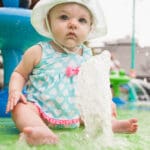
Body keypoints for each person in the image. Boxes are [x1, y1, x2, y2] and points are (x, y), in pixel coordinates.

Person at [6, 0, 138, 146]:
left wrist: (104, 100)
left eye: (82, 20)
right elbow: (19, 74)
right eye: (64, 17)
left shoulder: (88, 56)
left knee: (106, 104)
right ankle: (40, 130)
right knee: (19, 109)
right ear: (47, 23)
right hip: (41, 110)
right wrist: (15, 90)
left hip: (79, 114)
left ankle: (110, 124)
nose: (73, 24)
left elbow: (95, 85)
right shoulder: (38, 51)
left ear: (90, 28)